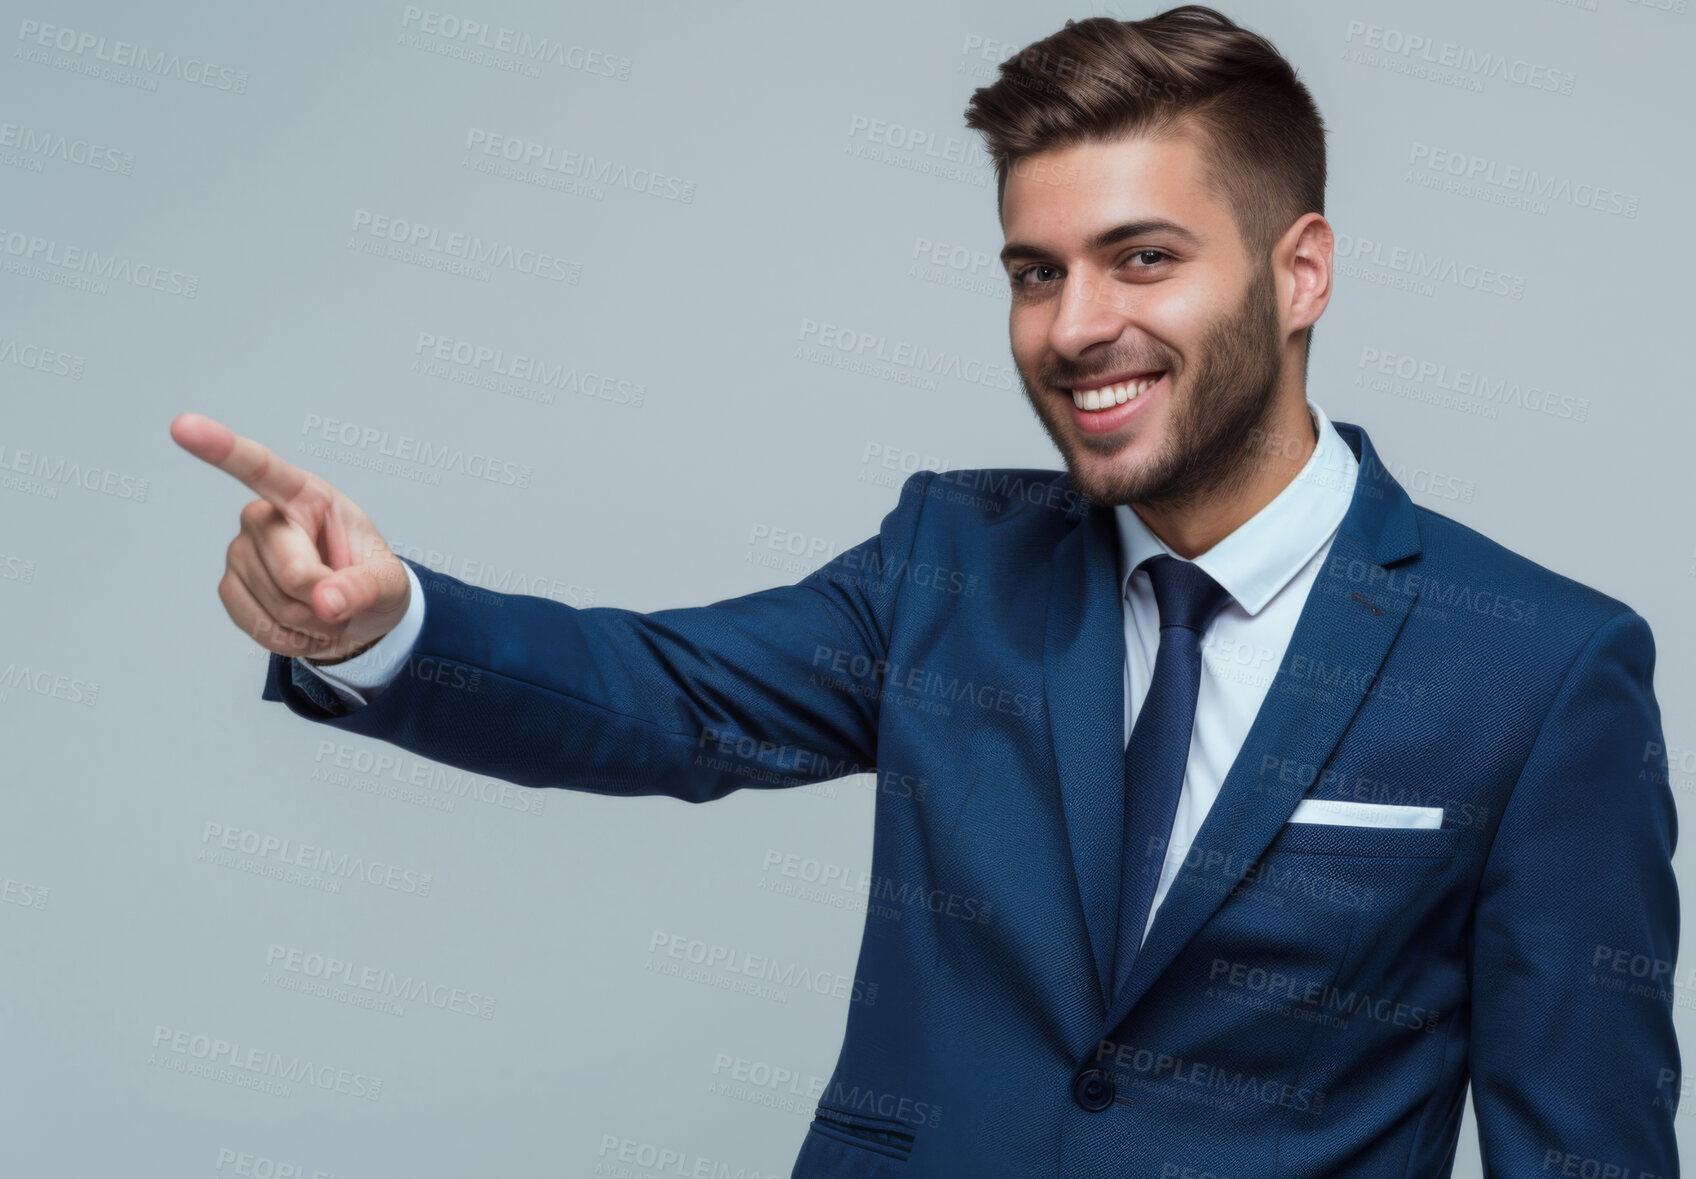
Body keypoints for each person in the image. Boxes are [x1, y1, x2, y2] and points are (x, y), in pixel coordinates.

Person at [174, 7, 1679, 1176]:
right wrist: (387, 629)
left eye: (1141, 259)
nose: (1076, 327)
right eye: (1035, 271)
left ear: (1301, 272)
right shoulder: (951, 563)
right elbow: (666, 698)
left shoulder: (1539, 672)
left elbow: (1585, 1144)